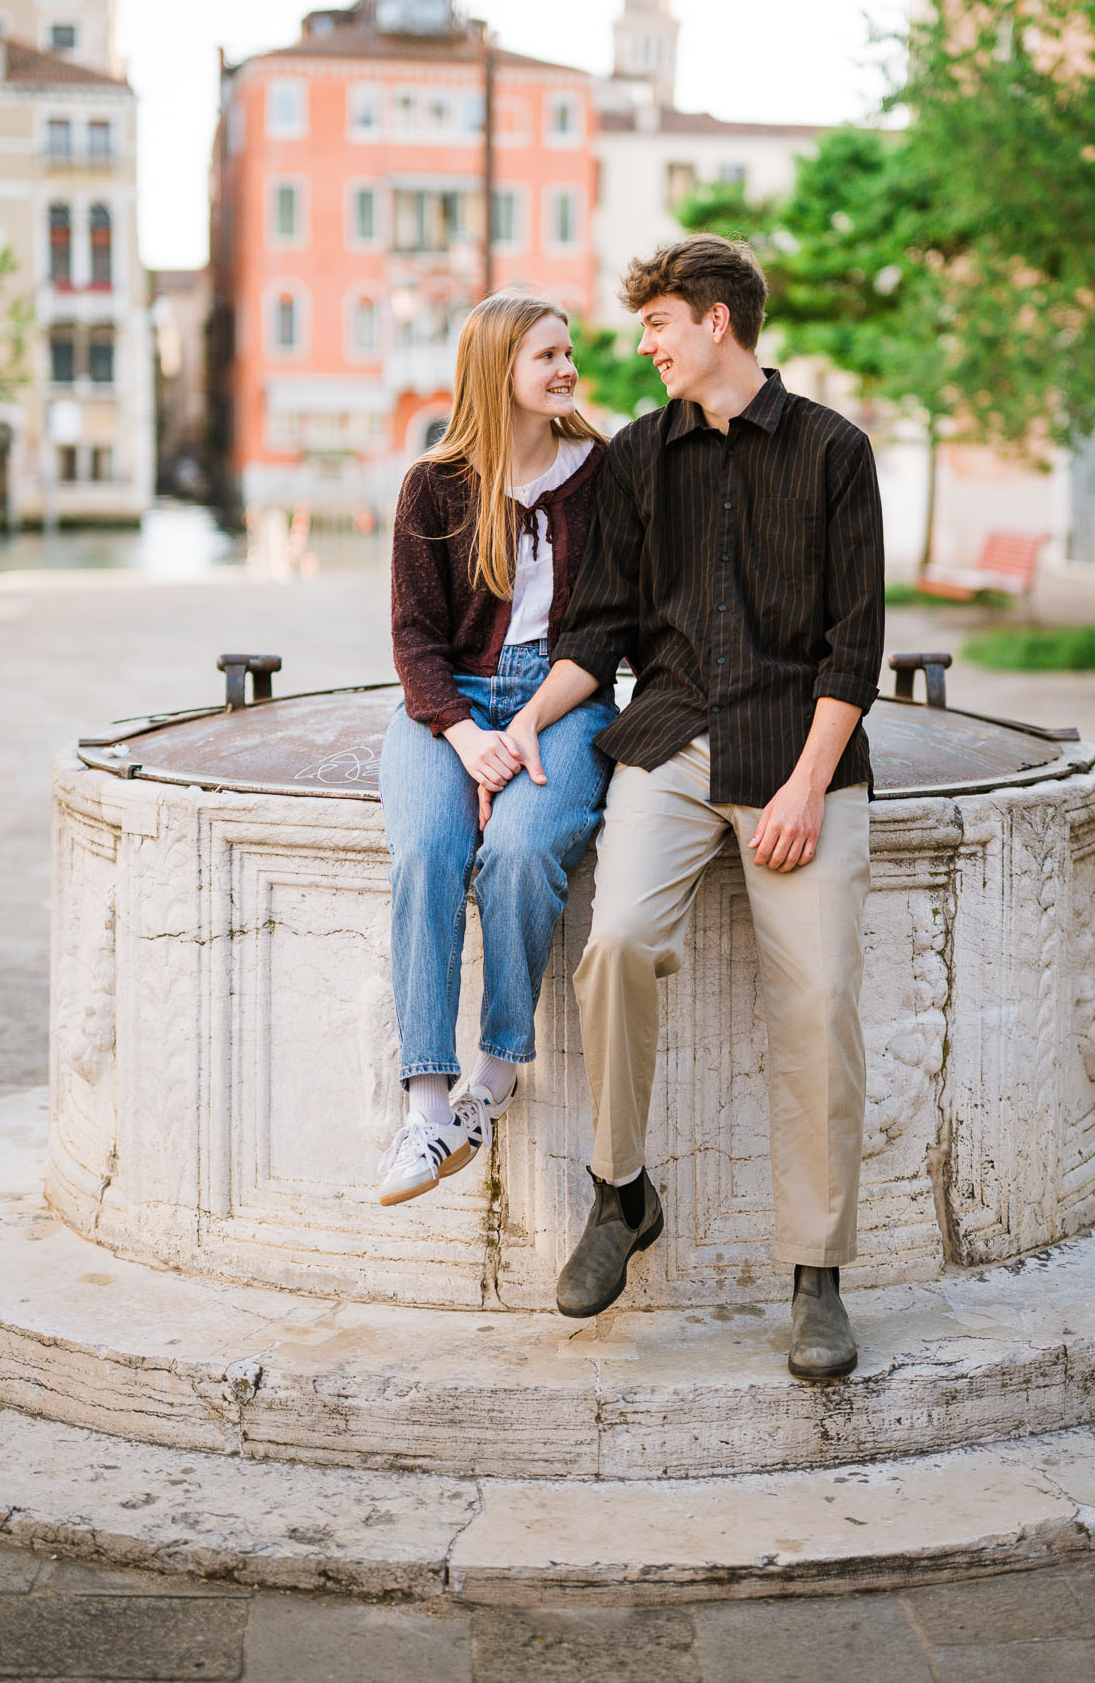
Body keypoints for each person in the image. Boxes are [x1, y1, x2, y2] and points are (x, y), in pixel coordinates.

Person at [500, 236, 883, 1381]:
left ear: (715, 321)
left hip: (799, 747)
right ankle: (621, 1193)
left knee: (816, 997)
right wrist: (527, 720)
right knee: (612, 943)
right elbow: (601, 628)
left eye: (657, 324)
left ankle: (816, 1277)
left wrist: (807, 785)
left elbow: (852, 645)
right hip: (667, 738)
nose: (644, 345)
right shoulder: (634, 459)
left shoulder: (831, 451)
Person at [376, 291, 617, 1208]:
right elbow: (414, 638)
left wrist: (525, 727)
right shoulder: (434, 485)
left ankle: (492, 1081)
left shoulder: (602, 476)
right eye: (548, 356)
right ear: (497, 373)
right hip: (446, 709)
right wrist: (467, 735)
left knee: (519, 851)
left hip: (565, 698)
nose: (568, 370)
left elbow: (610, 629)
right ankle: (427, 1104)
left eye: (569, 353)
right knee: (430, 852)